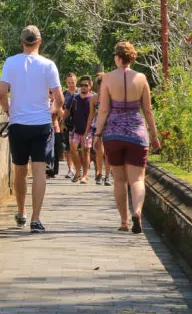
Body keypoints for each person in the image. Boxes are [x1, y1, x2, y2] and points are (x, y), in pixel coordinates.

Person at [0, 25, 64, 233]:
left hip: (18, 124)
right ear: (39, 42)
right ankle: (36, 219)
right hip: (41, 125)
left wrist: (10, 112)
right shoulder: (48, 65)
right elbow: (59, 99)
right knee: (39, 172)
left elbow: (1, 94)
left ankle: (21, 212)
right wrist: (51, 110)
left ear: (22, 42)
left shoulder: (11, 62)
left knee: (19, 169)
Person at [95, 41, 160, 233]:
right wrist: (154, 135)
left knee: (119, 180)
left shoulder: (107, 78)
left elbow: (104, 109)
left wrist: (97, 134)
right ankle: (137, 212)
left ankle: (124, 221)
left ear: (117, 57)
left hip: (113, 134)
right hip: (137, 133)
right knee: (137, 179)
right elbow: (147, 110)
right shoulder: (141, 78)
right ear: (132, 58)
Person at [68, 75, 95, 183]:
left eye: (86, 85)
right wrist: (62, 122)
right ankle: (78, 170)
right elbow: (67, 111)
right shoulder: (75, 98)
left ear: (90, 86)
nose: (83, 87)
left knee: (86, 151)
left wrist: (89, 129)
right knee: (73, 149)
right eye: (82, 85)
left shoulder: (92, 98)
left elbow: (94, 114)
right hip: (75, 128)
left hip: (88, 129)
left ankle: (85, 175)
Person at [62, 72, 78, 179]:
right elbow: (60, 108)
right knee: (68, 147)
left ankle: (79, 168)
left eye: (72, 82)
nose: (71, 84)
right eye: (69, 82)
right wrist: (62, 122)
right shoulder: (64, 94)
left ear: (76, 81)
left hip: (80, 123)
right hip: (67, 123)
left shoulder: (81, 92)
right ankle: (70, 169)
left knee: (79, 148)